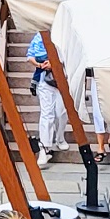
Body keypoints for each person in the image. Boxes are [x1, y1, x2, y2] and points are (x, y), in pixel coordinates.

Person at [26, 34, 67, 166]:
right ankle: (44, 147)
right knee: (47, 113)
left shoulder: (64, 33)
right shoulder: (38, 37)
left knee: (61, 112)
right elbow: (30, 56)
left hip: (62, 78)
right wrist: (40, 64)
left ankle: (60, 137)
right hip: (44, 78)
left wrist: (55, 62)